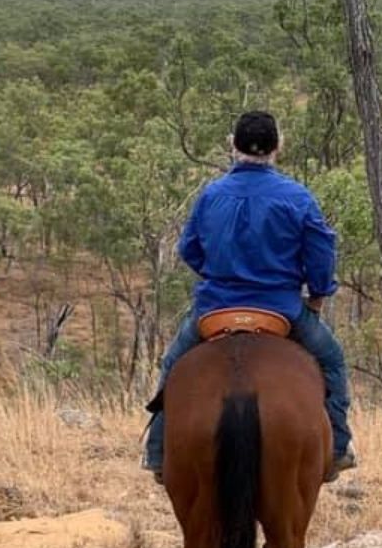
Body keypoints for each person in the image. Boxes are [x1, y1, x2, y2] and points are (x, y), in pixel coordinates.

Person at [143, 110, 356, 482]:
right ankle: (338, 447)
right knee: (333, 361)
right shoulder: (297, 197)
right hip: (281, 311)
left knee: (172, 365)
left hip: (215, 309)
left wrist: (220, 274)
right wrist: (318, 295)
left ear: (232, 145)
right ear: (278, 147)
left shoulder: (211, 195)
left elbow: (190, 249)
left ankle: (158, 453)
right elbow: (321, 251)